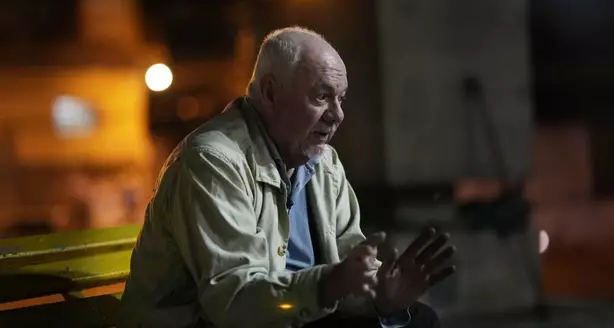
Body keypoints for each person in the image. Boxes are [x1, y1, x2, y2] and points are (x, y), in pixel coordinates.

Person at [118, 27, 456, 328]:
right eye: (321, 97)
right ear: (270, 93)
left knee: (419, 320)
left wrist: (383, 296)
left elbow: (347, 274)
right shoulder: (213, 161)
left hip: (293, 314)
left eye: (341, 99)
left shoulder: (325, 165)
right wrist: (326, 286)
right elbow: (233, 303)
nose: (337, 115)